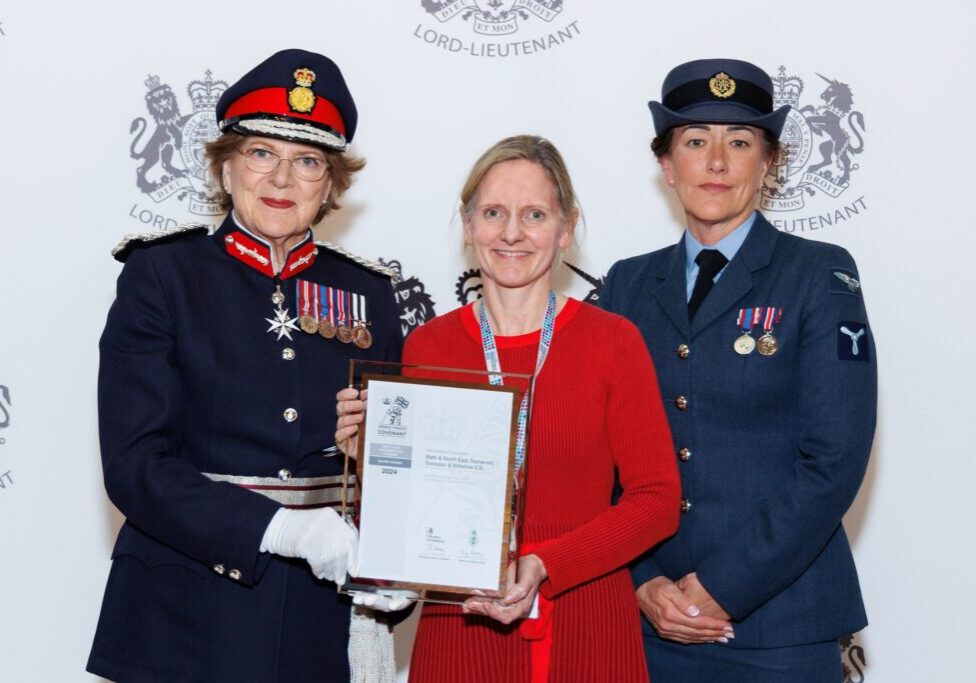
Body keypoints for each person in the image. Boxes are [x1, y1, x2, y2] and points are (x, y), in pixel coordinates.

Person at [87, 49, 404, 682]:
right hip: (185, 612)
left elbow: (394, 461)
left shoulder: (368, 294)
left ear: (331, 185)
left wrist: (399, 551)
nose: (282, 180)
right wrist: (282, 529)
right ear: (226, 168)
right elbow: (134, 466)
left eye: (307, 161)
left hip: (319, 616)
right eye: (262, 154)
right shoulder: (162, 276)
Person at [336, 135, 682, 682]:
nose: (513, 233)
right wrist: (369, 462)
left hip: (585, 616)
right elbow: (404, 522)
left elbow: (658, 501)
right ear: (469, 227)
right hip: (463, 624)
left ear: (566, 229)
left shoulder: (613, 341)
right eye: (493, 213)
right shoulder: (429, 347)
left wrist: (548, 564)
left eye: (534, 214)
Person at [599, 58, 877, 682]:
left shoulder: (819, 274)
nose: (717, 162)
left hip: (779, 626)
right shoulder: (628, 284)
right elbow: (602, 456)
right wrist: (643, 582)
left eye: (740, 142)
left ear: (769, 163)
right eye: (695, 142)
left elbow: (834, 459)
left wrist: (723, 585)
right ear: (667, 166)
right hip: (649, 624)